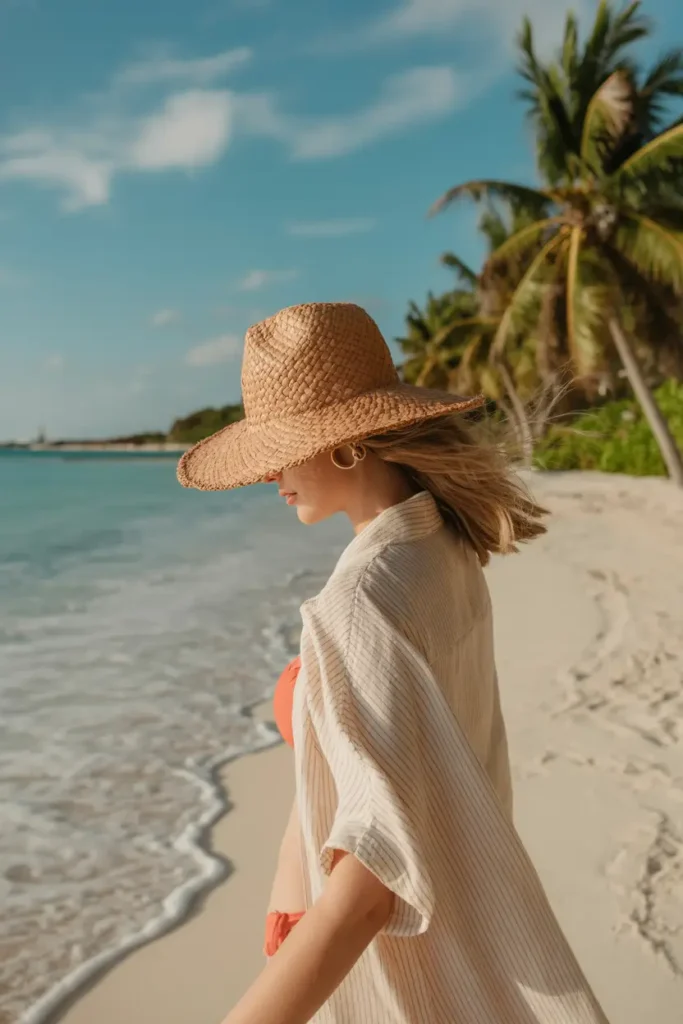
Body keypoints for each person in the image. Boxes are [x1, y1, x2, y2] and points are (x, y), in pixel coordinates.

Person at [177, 302, 609, 1024]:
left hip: (401, 973)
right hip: (449, 927)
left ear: (345, 445)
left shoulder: (361, 602)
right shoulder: (439, 546)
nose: (268, 476)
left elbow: (370, 886)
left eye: (281, 448)